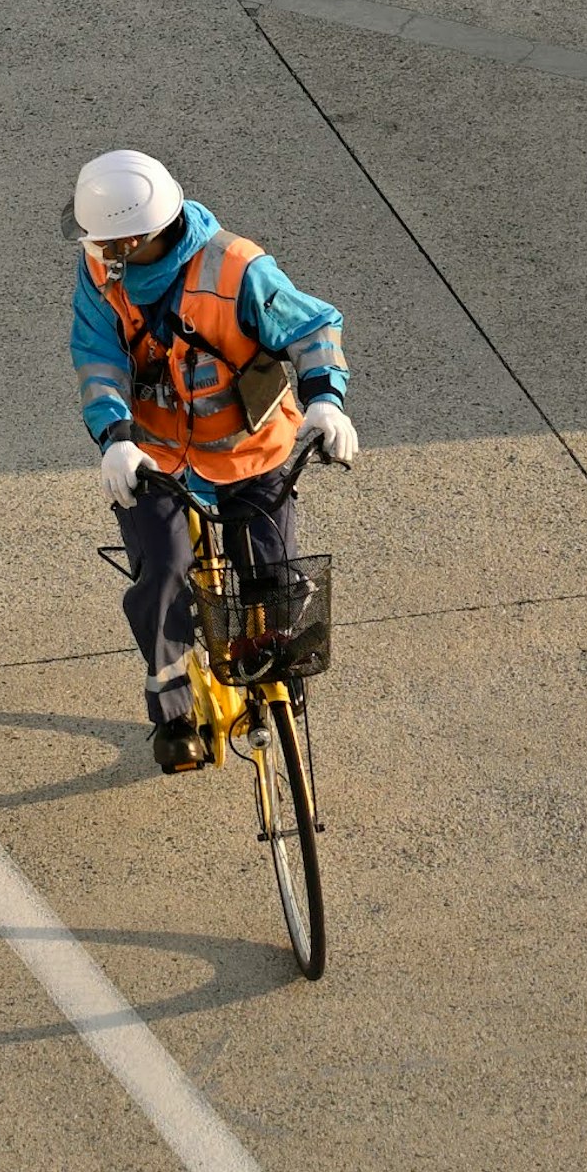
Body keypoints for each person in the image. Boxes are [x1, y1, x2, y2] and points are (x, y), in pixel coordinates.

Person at [68, 148, 359, 771]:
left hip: (250, 451)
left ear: (137, 237)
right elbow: (97, 358)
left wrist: (326, 400)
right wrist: (114, 437)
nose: (96, 252)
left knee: (270, 578)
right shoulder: (99, 276)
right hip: (154, 460)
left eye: (107, 243)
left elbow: (312, 329)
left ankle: (275, 668)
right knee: (166, 572)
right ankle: (171, 712)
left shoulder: (235, 268)